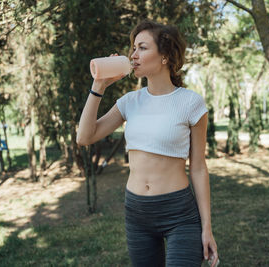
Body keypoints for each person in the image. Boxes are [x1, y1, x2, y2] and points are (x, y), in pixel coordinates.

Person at [77, 19, 218, 267]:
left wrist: (206, 228)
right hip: (137, 213)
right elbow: (84, 137)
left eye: (142, 48)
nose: (133, 55)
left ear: (164, 56)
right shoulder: (130, 101)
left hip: (179, 214)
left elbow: (198, 168)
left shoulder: (191, 103)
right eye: (133, 48)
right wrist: (98, 85)